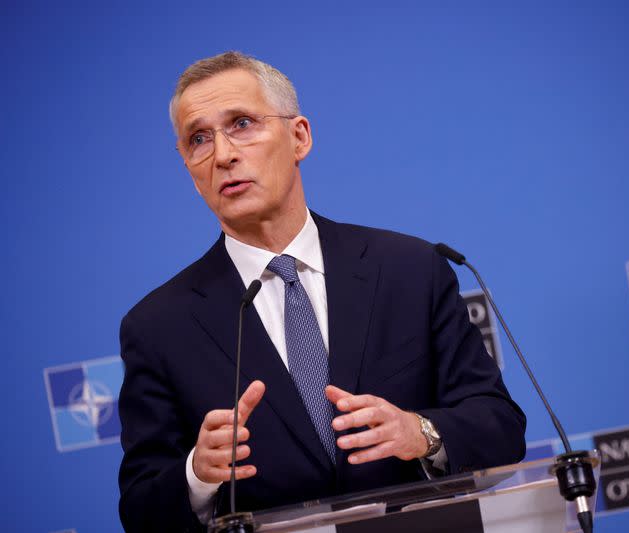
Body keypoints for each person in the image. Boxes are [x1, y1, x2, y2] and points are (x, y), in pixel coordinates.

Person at [117, 51, 526, 532]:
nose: (223, 154)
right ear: (188, 164)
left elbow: (499, 426)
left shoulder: (409, 269)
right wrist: (196, 475)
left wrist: (421, 433)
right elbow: (141, 510)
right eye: (198, 139)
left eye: (242, 123)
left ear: (299, 137)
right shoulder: (159, 326)